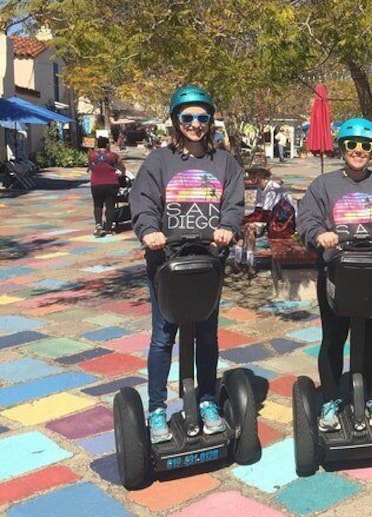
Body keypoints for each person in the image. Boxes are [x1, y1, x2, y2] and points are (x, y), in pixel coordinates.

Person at [130, 85, 245, 444]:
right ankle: (158, 409)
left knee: (207, 334)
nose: (195, 124)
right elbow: (144, 200)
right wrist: (149, 231)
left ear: (211, 121)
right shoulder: (159, 161)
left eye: (202, 117)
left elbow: (234, 203)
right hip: (167, 260)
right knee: (164, 335)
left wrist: (228, 227)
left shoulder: (224, 162)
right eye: (187, 117)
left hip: (208, 260)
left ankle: (208, 401)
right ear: (176, 121)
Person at [296, 117, 372, 432]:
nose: (358, 150)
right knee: (334, 337)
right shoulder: (324, 185)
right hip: (337, 273)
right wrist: (319, 234)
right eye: (351, 144)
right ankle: (332, 400)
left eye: (365, 146)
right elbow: (306, 218)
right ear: (341, 147)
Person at [227, 166, 295, 277]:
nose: (251, 176)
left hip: (282, 222)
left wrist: (244, 220)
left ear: (263, 175)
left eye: (254, 173)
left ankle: (249, 263)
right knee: (244, 227)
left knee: (248, 227)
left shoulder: (272, 188)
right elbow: (258, 211)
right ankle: (240, 262)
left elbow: (265, 214)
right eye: (250, 173)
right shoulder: (260, 188)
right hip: (271, 219)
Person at [88, 136, 126, 237]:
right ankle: (108, 229)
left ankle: (98, 226)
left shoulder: (91, 155)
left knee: (97, 205)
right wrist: (122, 173)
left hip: (96, 183)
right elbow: (122, 166)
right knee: (110, 206)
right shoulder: (113, 155)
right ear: (107, 145)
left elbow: (91, 167)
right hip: (111, 183)